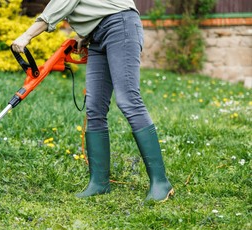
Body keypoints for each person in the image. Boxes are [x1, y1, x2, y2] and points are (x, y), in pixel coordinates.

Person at [12, 0, 174, 202]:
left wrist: (28, 35)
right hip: (96, 36)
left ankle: (160, 182)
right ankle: (99, 183)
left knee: (128, 101)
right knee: (94, 107)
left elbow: (62, 4)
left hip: (120, 25)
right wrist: (84, 34)